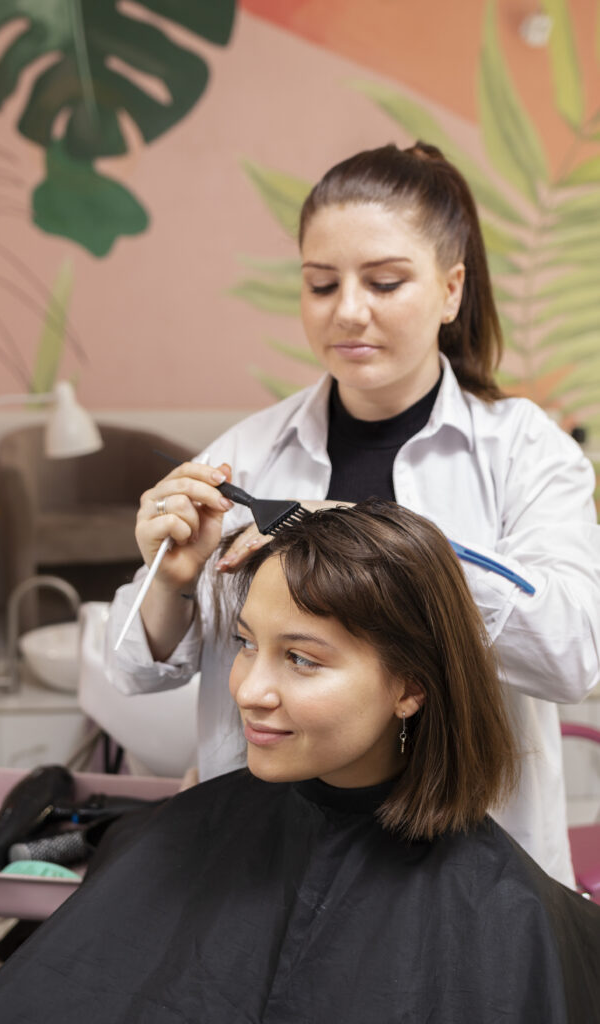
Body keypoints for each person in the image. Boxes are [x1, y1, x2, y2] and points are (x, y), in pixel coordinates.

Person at [106, 142, 600, 887]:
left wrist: (391, 547)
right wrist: (171, 579)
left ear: (450, 290)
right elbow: (129, 670)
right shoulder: (249, 453)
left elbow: (571, 656)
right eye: (319, 283)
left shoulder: (526, 452)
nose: (347, 311)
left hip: (469, 871)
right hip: (275, 856)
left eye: (385, 281)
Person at [0, 503, 600, 1023]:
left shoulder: (502, 918)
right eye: (244, 645)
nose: (248, 691)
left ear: (409, 687)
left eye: (301, 658)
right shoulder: (185, 831)